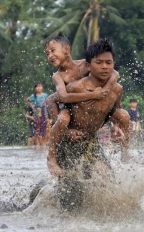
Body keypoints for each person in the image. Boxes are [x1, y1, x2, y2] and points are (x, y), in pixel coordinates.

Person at [53, 38, 129, 210]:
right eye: (99, 62)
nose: (104, 67)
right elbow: (52, 100)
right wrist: (66, 131)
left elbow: (115, 111)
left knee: (107, 179)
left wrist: (116, 127)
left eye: (108, 63)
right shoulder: (75, 87)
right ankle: (49, 199)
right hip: (69, 144)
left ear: (113, 64)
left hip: (91, 142)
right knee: (70, 200)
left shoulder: (117, 89)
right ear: (89, 65)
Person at [43, 32, 122, 176]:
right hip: (68, 110)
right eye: (47, 53)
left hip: (88, 114)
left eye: (53, 51)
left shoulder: (84, 65)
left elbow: (114, 74)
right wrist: (93, 95)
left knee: (106, 177)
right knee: (62, 118)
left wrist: (104, 91)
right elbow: (60, 98)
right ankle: (51, 157)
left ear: (66, 49)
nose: (50, 56)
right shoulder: (58, 76)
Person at [24, 82, 49, 146]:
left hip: (43, 109)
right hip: (37, 110)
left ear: (42, 87)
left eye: (40, 86)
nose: (39, 88)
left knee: (44, 126)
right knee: (37, 125)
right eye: (37, 87)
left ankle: (44, 143)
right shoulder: (33, 96)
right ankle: (37, 143)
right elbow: (27, 100)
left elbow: (48, 102)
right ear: (35, 88)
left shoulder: (45, 95)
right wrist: (32, 106)